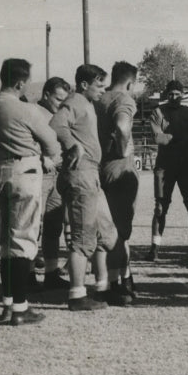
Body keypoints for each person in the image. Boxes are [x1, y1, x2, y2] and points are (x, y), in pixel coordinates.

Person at [0, 59, 62, 325]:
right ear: (20, 82)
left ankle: (7, 304)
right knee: (22, 241)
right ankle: (20, 308)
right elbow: (51, 143)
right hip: (24, 170)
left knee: (5, 241)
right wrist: (44, 154)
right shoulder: (24, 108)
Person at [50, 64, 117, 311]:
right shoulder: (76, 101)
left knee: (105, 232)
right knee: (82, 237)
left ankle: (102, 287)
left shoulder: (86, 103)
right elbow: (57, 124)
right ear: (84, 84)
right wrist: (71, 145)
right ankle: (77, 295)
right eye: (99, 85)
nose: (103, 90)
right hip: (81, 175)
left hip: (91, 175)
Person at [95, 61, 140, 304]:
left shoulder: (98, 99)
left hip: (100, 166)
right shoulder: (124, 99)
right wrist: (124, 150)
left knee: (106, 226)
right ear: (130, 82)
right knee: (119, 229)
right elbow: (123, 125)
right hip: (118, 167)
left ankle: (122, 278)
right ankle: (117, 283)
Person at [148, 80, 188, 261]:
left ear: (183, 94)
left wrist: (171, 137)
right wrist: (181, 137)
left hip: (186, 165)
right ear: (166, 94)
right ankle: (154, 248)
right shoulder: (158, 112)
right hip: (165, 166)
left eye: (177, 94)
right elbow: (158, 138)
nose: (174, 97)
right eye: (171, 94)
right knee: (160, 207)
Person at [35, 77, 72, 289]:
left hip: (58, 175)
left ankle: (51, 273)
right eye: (58, 99)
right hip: (40, 174)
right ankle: (29, 273)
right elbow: (24, 139)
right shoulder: (33, 112)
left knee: (53, 225)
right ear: (46, 94)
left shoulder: (60, 114)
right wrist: (41, 158)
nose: (61, 103)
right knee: (33, 226)